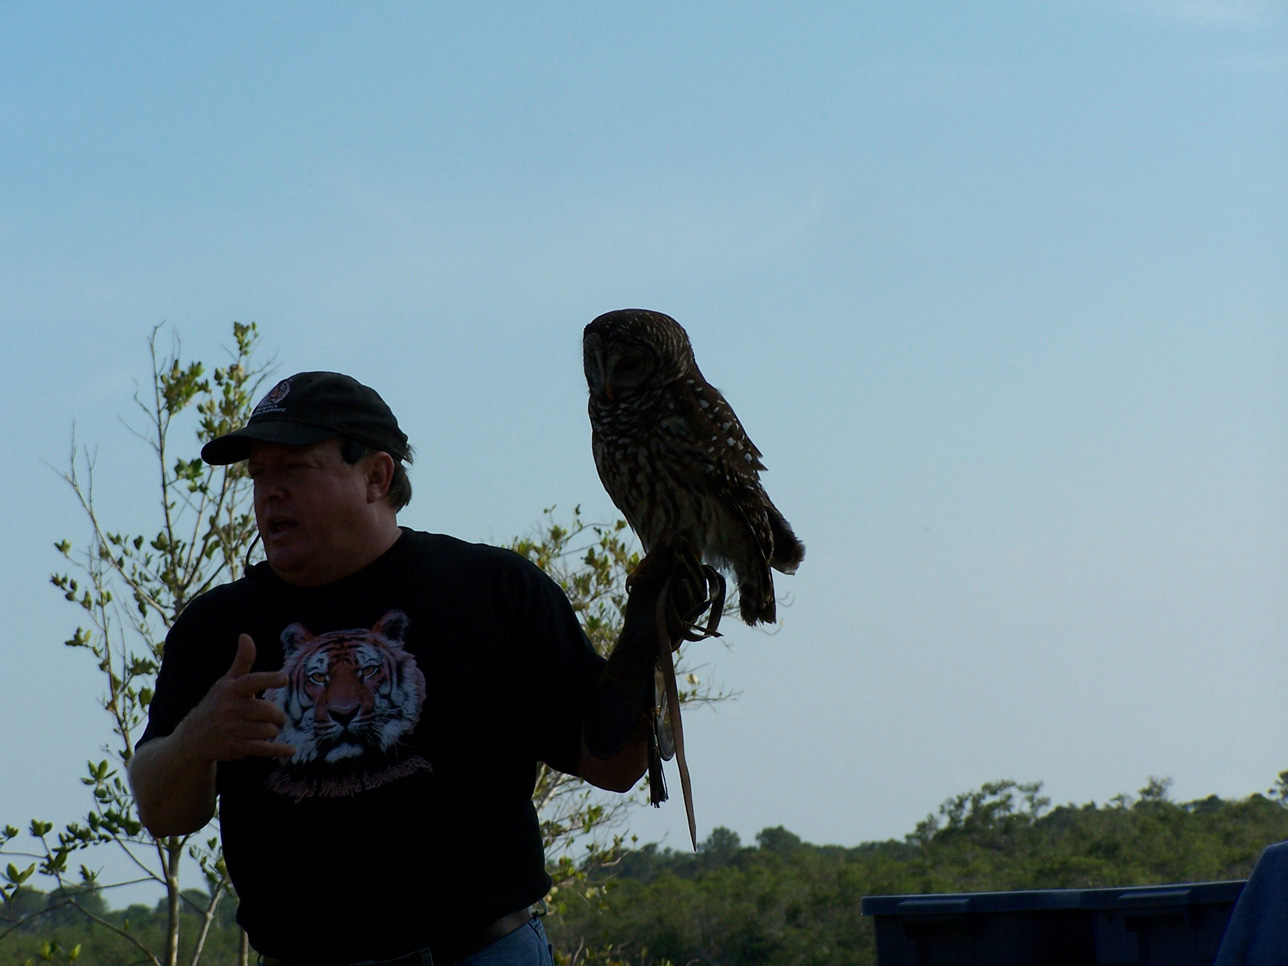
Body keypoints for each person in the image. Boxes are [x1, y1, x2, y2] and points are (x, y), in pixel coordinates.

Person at [128, 371, 703, 966]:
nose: (268, 492)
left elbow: (610, 765)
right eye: (259, 474)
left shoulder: (492, 591)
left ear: (376, 476)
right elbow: (162, 811)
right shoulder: (219, 628)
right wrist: (195, 740)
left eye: (294, 469)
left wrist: (641, 655)